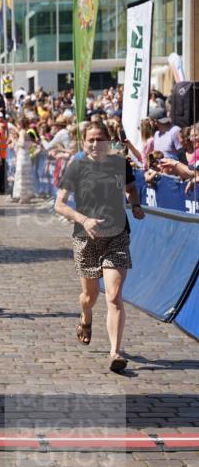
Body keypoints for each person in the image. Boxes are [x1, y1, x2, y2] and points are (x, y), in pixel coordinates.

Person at [54, 120, 145, 373]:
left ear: (108, 140)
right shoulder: (76, 167)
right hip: (86, 238)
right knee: (89, 297)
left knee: (114, 295)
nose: (95, 144)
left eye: (100, 139)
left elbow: (130, 189)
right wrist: (83, 219)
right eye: (90, 140)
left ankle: (115, 352)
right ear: (84, 142)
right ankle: (85, 316)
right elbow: (59, 204)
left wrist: (135, 205)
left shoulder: (120, 164)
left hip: (117, 235)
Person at [11, 121, 35, 203]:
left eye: (17, 124)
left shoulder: (22, 132)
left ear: (20, 124)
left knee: (22, 175)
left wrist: (13, 139)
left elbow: (21, 144)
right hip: (24, 155)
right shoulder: (26, 133)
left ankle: (23, 197)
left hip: (23, 156)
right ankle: (24, 196)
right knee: (24, 175)